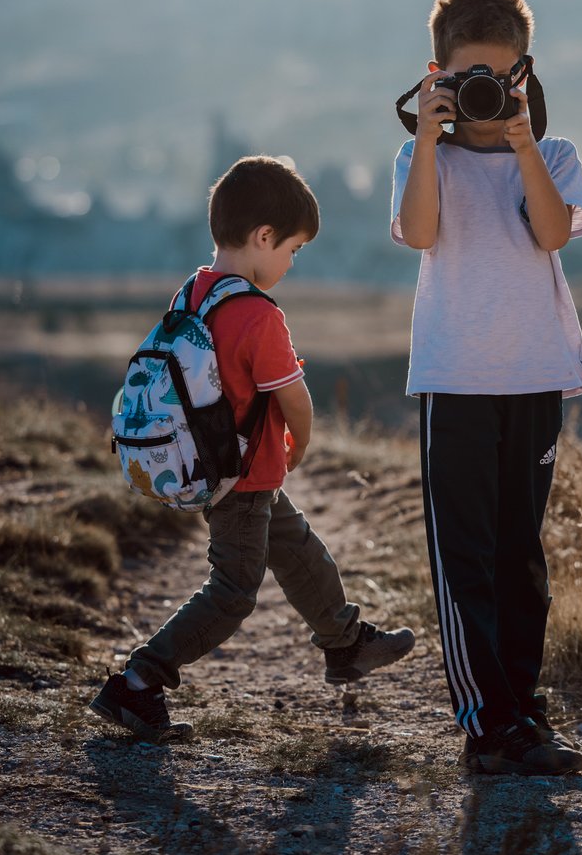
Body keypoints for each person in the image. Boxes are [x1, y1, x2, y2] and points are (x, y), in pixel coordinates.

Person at [91, 155, 415, 743]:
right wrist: (302, 443)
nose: (291, 263)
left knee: (296, 550)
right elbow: (295, 399)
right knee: (233, 593)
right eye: (292, 250)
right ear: (264, 237)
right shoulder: (257, 315)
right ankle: (138, 682)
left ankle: (345, 644)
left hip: (214, 466)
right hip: (240, 478)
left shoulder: (193, 292)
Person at [391, 0, 582, 776]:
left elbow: (550, 234)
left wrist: (519, 142)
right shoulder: (419, 155)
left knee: (522, 554)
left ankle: (521, 705)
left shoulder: (554, 157)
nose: (483, 92)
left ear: (524, 74)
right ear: (436, 73)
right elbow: (418, 232)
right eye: (467, 77)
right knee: (466, 554)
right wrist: (435, 138)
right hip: (458, 380)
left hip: (536, 376)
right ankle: (487, 726)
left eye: (499, 78)